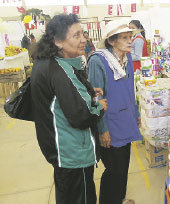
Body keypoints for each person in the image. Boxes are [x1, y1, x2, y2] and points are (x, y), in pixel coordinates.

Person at [30, 14, 107, 204]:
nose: (84, 40)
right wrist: (99, 106)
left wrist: (87, 91)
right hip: (72, 152)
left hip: (61, 152)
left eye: (83, 34)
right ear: (58, 41)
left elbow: (61, 97)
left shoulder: (48, 63)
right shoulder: (60, 70)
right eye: (76, 35)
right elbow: (82, 115)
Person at [87, 20, 142, 204]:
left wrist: (136, 114)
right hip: (109, 123)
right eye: (125, 38)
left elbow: (131, 91)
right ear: (111, 41)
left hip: (125, 120)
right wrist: (102, 129)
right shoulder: (98, 61)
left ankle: (120, 199)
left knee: (124, 166)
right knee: (113, 170)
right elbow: (95, 99)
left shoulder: (127, 60)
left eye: (130, 37)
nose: (130, 41)